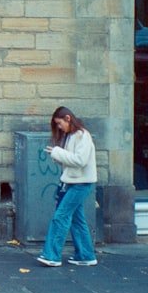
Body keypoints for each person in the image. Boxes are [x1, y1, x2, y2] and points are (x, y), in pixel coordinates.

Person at [36, 106, 98, 267]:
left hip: (80, 183)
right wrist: (56, 154)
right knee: (77, 220)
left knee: (61, 216)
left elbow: (80, 160)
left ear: (68, 118)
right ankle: (85, 255)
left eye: (59, 123)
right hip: (73, 182)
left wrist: (57, 152)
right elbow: (72, 160)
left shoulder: (82, 135)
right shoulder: (72, 135)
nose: (59, 127)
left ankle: (52, 256)